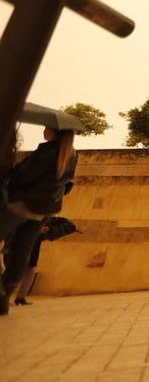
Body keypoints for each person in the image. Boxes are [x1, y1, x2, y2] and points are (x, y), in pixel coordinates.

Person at [0, 126, 77, 316]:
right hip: (45, 210)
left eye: (47, 128)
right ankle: (5, 296)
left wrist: (13, 168)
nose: (44, 130)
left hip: (23, 205)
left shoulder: (47, 151)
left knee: (17, 249)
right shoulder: (71, 154)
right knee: (23, 251)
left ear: (55, 131)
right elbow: (67, 184)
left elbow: (23, 176)